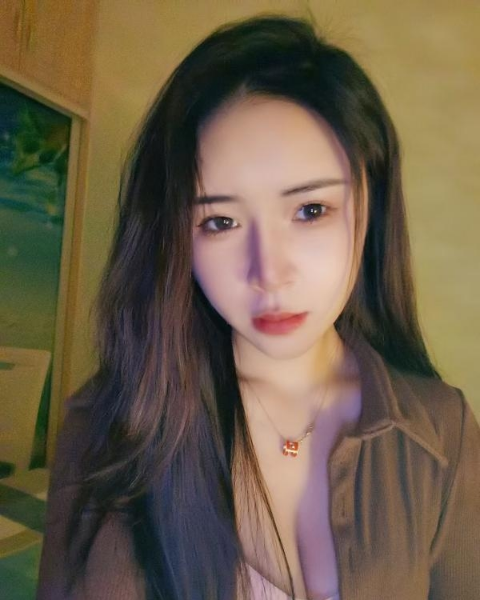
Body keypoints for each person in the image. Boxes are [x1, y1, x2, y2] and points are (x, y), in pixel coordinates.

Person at [36, 13, 480, 600]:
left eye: (310, 211)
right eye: (220, 222)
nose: (268, 273)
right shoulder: (107, 423)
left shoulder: (441, 434)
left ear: (370, 205)